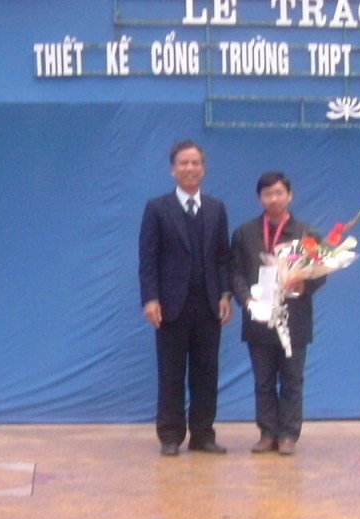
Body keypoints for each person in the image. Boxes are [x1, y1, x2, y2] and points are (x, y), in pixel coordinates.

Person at [139, 139, 233, 456]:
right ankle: (170, 435)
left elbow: (222, 258)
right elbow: (148, 259)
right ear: (173, 170)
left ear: (203, 169)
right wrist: (150, 299)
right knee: (171, 373)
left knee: (207, 373)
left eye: (195, 163)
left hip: (208, 305)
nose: (190, 168)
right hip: (170, 306)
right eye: (183, 163)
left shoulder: (216, 208)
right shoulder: (157, 208)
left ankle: (203, 435)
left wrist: (225, 293)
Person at [230, 171, 326, 456]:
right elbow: (234, 272)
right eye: (267, 194)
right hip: (258, 318)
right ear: (259, 198)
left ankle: (288, 435)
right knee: (263, 381)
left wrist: (304, 284)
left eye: (279, 193)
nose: (273, 198)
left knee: (292, 380)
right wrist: (247, 300)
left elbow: (320, 272)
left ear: (290, 195)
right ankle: (267, 433)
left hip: (294, 318)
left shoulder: (307, 234)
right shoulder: (244, 234)